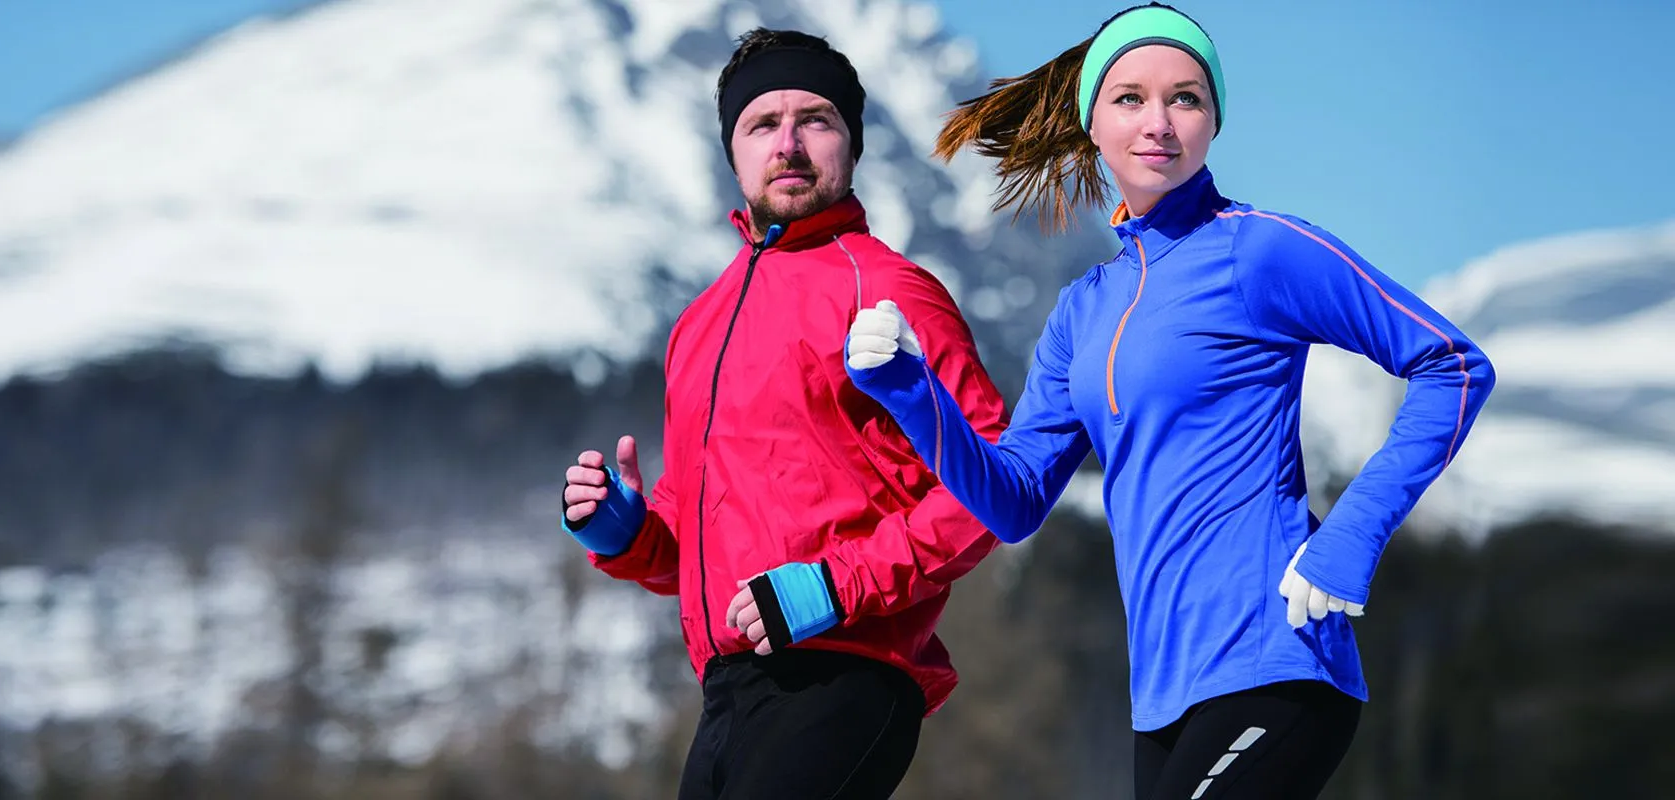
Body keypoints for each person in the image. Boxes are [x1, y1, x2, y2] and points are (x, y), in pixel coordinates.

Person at [842, 4, 1497, 798]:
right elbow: (1014, 503)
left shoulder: (1259, 249)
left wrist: (1352, 535)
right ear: (1092, 125)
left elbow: (1454, 365)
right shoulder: (1083, 310)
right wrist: (912, 394)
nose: (1159, 122)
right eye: (1130, 99)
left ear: (1214, 120)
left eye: (1185, 98)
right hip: (1161, 697)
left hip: (1278, 661)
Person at [557, 27, 1010, 800]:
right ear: (733, 153)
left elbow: (995, 489)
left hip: (845, 676)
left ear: (853, 146)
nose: (789, 144)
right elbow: (706, 543)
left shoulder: (893, 291)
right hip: (726, 689)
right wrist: (631, 534)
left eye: (817, 121)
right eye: (763, 124)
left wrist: (837, 586)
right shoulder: (699, 323)